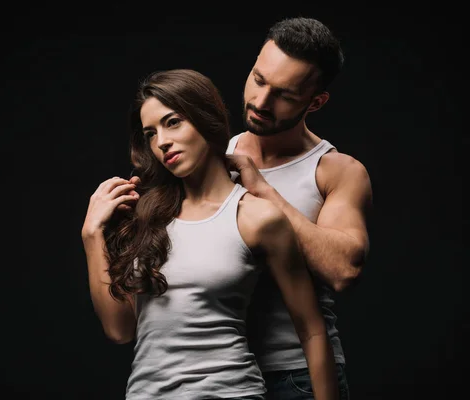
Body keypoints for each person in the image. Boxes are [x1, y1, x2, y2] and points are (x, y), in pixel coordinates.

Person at [81, 69, 339, 399]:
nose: (162, 141)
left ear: (205, 118)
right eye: (150, 133)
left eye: (172, 122)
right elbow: (119, 331)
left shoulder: (256, 217)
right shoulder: (145, 215)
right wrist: (92, 235)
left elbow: (312, 329)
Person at [224, 17, 373, 399]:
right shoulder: (212, 157)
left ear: (316, 102)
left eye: (285, 95)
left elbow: (343, 270)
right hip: (218, 371)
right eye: (258, 80)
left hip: (298, 375)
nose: (260, 102)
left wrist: (263, 189)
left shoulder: (337, 171)